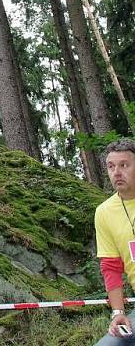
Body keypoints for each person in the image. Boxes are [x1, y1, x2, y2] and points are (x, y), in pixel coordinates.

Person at [95, 137, 135, 344]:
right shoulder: (104, 212)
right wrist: (118, 312)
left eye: (124, 165)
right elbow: (111, 266)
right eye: (111, 166)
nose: (117, 172)